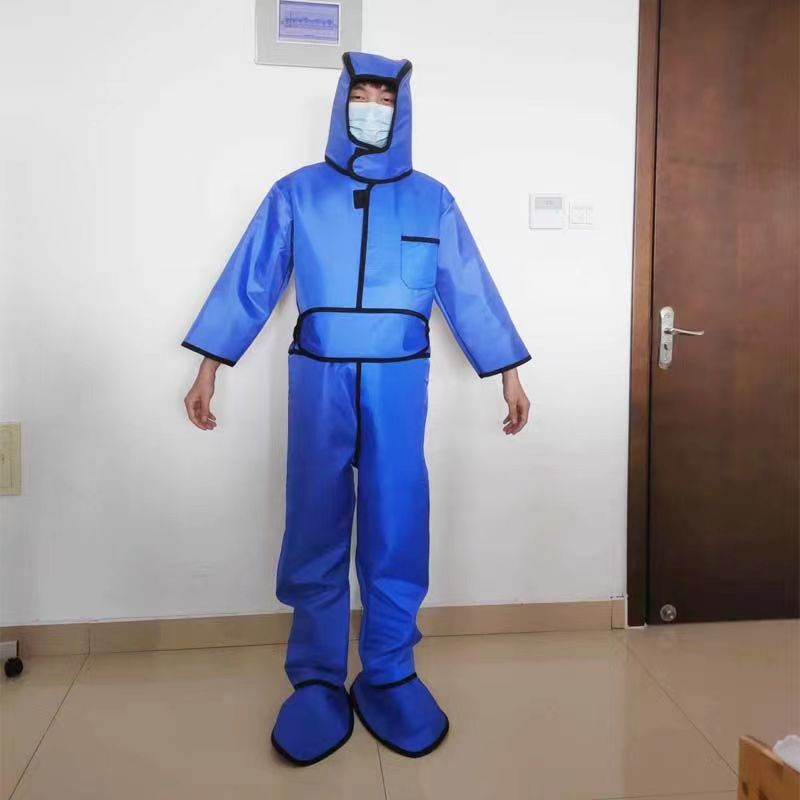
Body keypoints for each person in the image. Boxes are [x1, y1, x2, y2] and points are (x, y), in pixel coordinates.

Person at [181, 51, 531, 766]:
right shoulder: (297, 193)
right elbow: (251, 279)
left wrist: (508, 373)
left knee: (396, 518)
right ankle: (315, 677)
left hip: (399, 379)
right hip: (320, 375)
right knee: (315, 516)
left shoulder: (431, 199)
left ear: (402, 111)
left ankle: (390, 671)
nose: (372, 107)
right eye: (362, 95)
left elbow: (467, 287)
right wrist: (209, 364)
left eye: (384, 97)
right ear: (344, 103)